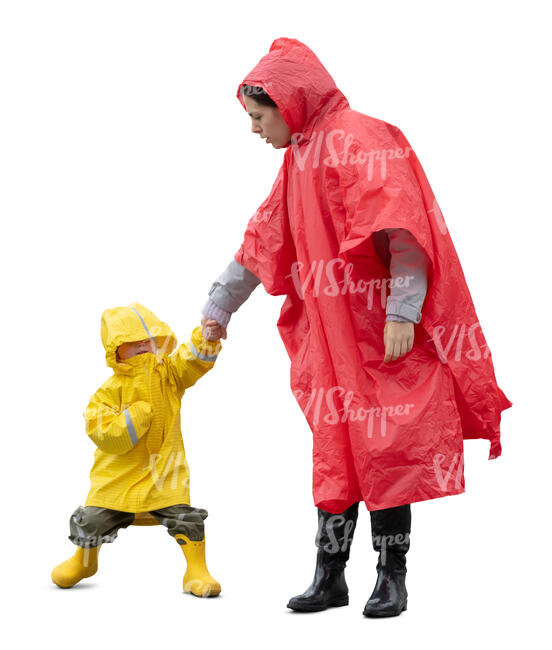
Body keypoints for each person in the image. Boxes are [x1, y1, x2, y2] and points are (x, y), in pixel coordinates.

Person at [201, 37, 512, 617]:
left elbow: (402, 229)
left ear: (287, 101)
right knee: (336, 453)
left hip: (378, 336)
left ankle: (392, 577)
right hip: (331, 341)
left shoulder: (358, 139)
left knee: (387, 451)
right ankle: (330, 576)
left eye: (257, 115)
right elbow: (264, 239)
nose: (253, 128)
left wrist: (401, 311)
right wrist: (219, 305)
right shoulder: (299, 157)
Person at [51, 302, 225, 597]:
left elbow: (191, 362)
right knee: (90, 521)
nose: (144, 343)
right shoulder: (109, 391)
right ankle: (84, 561)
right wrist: (135, 418)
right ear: (115, 349)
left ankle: (196, 571)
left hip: (165, 475)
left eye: (149, 338)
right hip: (116, 480)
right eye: (133, 341)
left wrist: (206, 338)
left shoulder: (169, 375)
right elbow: (100, 430)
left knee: (187, 519)